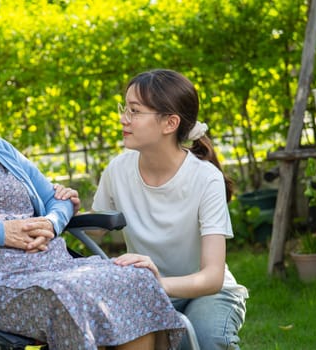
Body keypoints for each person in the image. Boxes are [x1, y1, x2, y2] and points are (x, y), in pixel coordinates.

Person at [0, 42, 184, 350]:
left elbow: (57, 198)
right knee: (69, 295)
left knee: (135, 279)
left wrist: (52, 222)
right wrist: (0, 233)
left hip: (53, 264)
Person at [88, 69, 248, 349]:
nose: (123, 118)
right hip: (146, 290)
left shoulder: (205, 178)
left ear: (169, 123)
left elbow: (212, 277)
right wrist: (64, 207)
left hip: (207, 292)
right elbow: (94, 231)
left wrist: (159, 283)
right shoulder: (118, 169)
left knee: (202, 339)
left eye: (135, 111)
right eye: (124, 108)